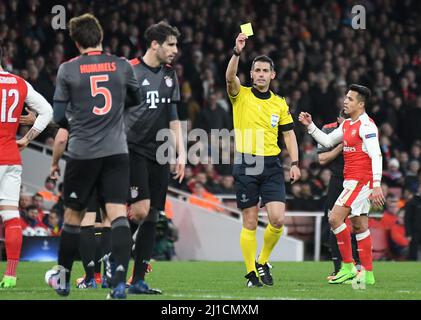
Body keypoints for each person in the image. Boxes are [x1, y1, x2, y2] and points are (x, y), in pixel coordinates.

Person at [47, 13, 141, 299]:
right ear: (100, 37)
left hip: (83, 154)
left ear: (76, 41)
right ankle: (120, 283)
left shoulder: (67, 70)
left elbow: (59, 116)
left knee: (74, 217)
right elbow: (134, 101)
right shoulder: (122, 66)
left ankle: (63, 280)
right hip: (116, 153)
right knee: (116, 215)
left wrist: (79, 120)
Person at [226, 33, 301, 287]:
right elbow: (229, 77)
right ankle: (250, 274)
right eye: (256, 70)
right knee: (249, 221)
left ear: (272, 75)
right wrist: (237, 52)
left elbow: (289, 134)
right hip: (247, 163)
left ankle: (262, 260)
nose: (260, 74)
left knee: (277, 219)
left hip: (271, 165)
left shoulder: (280, 104)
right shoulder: (240, 94)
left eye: (264, 70)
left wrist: (295, 163)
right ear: (251, 74)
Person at [299, 84, 385, 285]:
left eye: (350, 99)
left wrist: (377, 184)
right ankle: (368, 274)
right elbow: (328, 141)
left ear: (361, 104)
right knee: (359, 225)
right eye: (346, 97)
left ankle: (347, 266)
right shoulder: (347, 125)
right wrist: (310, 126)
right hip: (351, 181)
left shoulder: (367, 126)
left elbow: (376, 155)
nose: (345, 101)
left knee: (334, 218)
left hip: (361, 181)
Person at [125, 21, 186, 295]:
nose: (175, 50)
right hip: (132, 149)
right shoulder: (130, 70)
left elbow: (173, 118)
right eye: (170, 44)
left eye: (176, 44)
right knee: (138, 210)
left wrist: (181, 154)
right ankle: (110, 253)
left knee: (152, 215)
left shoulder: (171, 76)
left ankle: (138, 280)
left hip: (160, 153)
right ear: (154, 44)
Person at [0, 46, 53, 288]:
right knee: (11, 217)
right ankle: (10, 275)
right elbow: (47, 112)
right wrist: (27, 138)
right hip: (11, 158)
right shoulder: (19, 83)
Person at [317, 110, 361, 280]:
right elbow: (322, 159)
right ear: (338, 119)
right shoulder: (328, 130)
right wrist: (342, 144)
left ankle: (358, 266)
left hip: (357, 180)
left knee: (358, 223)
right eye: (346, 120)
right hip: (337, 180)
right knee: (334, 222)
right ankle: (337, 268)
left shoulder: (362, 128)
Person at [405, 183, 421, 260]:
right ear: (419, 189)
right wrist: (408, 233)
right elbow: (407, 219)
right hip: (415, 232)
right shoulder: (412, 202)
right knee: (413, 253)